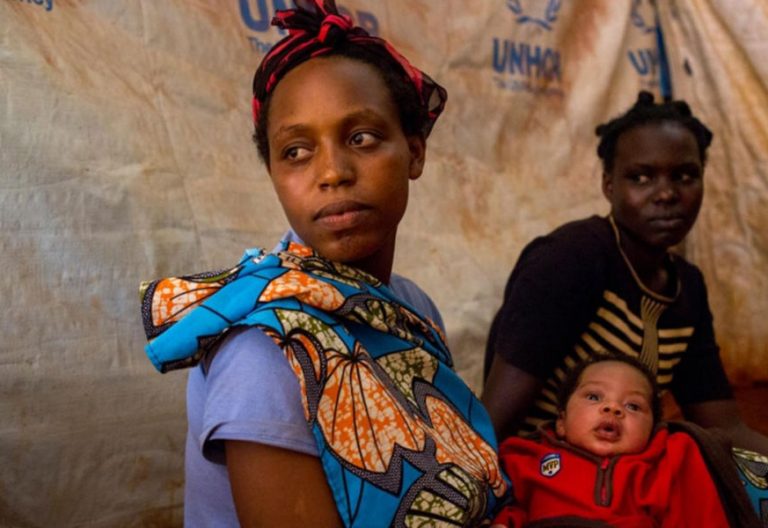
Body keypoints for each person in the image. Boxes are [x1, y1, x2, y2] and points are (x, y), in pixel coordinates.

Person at [139, 1, 507, 526]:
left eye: (361, 138)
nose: (332, 172)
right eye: (296, 151)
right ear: (273, 174)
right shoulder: (268, 349)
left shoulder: (412, 306)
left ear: (415, 152)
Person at [482, 91, 768, 458]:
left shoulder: (686, 288)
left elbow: (724, 427)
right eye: (641, 177)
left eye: (685, 176)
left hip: (627, 481)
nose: (666, 194)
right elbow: (493, 424)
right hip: (542, 473)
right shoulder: (570, 259)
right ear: (609, 185)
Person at [491, 355, 759, 527]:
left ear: (651, 430)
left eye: (633, 406)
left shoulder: (663, 466)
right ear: (561, 422)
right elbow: (503, 507)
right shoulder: (525, 458)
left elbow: (698, 518)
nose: (613, 408)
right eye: (594, 397)